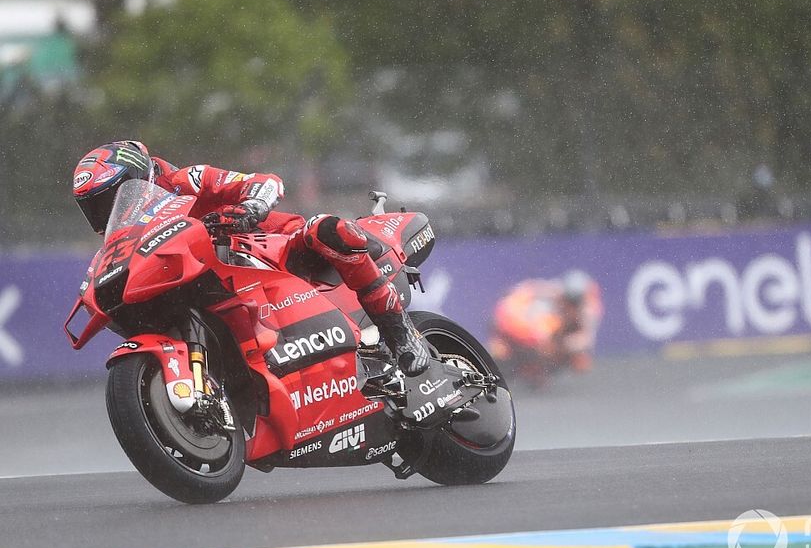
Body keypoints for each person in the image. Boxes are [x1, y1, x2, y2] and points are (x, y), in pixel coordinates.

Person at [71, 140, 429, 375]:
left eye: (109, 198)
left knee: (327, 229)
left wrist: (252, 206)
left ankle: (400, 334)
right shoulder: (126, 238)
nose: (105, 213)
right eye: (94, 208)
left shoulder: (186, 181)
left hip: (276, 247)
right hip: (222, 285)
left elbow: (265, 181)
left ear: (138, 177)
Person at [489, 270, 603, 386]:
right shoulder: (552, 293)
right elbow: (527, 290)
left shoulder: (587, 311)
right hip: (525, 332)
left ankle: (537, 370)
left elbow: (586, 339)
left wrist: (563, 345)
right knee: (501, 350)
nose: (570, 304)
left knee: (580, 361)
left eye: (574, 302)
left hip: (559, 342)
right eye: (568, 299)